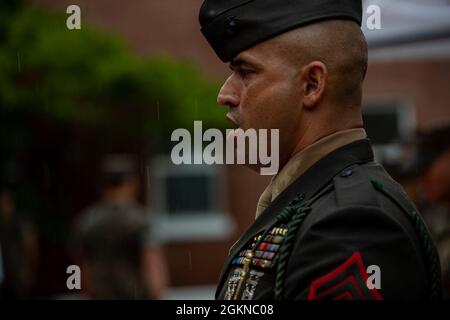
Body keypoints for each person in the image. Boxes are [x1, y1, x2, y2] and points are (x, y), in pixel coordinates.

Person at [198, 0, 442, 299]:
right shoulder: (314, 202)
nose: (225, 95)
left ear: (312, 85)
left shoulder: (352, 226)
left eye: (246, 72)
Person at [75, 154, 168, 299]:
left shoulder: (87, 221)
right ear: (133, 183)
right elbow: (152, 266)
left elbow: (83, 272)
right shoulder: (140, 221)